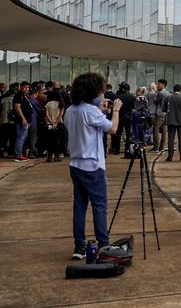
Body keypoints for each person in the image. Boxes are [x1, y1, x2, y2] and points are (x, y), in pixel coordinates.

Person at [60, 73, 120, 258]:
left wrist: (99, 111)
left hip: (76, 164)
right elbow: (113, 129)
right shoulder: (91, 111)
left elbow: (87, 125)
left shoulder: (71, 110)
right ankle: (103, 244)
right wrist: (115, 110)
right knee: (99, 206)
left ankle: (79, 247)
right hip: (93, 165)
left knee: (79, 206)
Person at [164, 84, 181, 162]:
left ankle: (170, 157)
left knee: (171, 139)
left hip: (171, 121)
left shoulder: (167, 98)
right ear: (180, 90)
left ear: (173, 90)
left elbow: (164, 109)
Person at [10, 83, 32, 162]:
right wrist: (23, 119)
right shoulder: (19, 95)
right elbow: (17, 107)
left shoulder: (24, 95)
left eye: (28, 87)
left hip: (27, 119)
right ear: (21, 87)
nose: (26, 89)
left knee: (23, 137)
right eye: (25, 87)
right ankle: (18, 154)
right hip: (22, 120)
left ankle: (20, 153)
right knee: (21, 137)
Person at [42, 90, 64, 162]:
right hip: (59, 124)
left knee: (49, 140)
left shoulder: (48, 104)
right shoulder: (61, 104)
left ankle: (49, 156)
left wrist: (52, 123)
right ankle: (57, 156)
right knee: (57, 140)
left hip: (49, 124)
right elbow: (61, 115)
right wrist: (56, 123)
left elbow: (47, 115)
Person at [150, 79, 169, 153]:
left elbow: (155, 102)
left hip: (159, 113)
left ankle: (156, 146)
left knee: (155, 129)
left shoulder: (161, 93)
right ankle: (162, 146)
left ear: (163, 85)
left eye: (159, 84)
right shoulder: (168, 93)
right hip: (165, 114)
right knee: (164, 130)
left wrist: (156, 95)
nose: (158, 85)